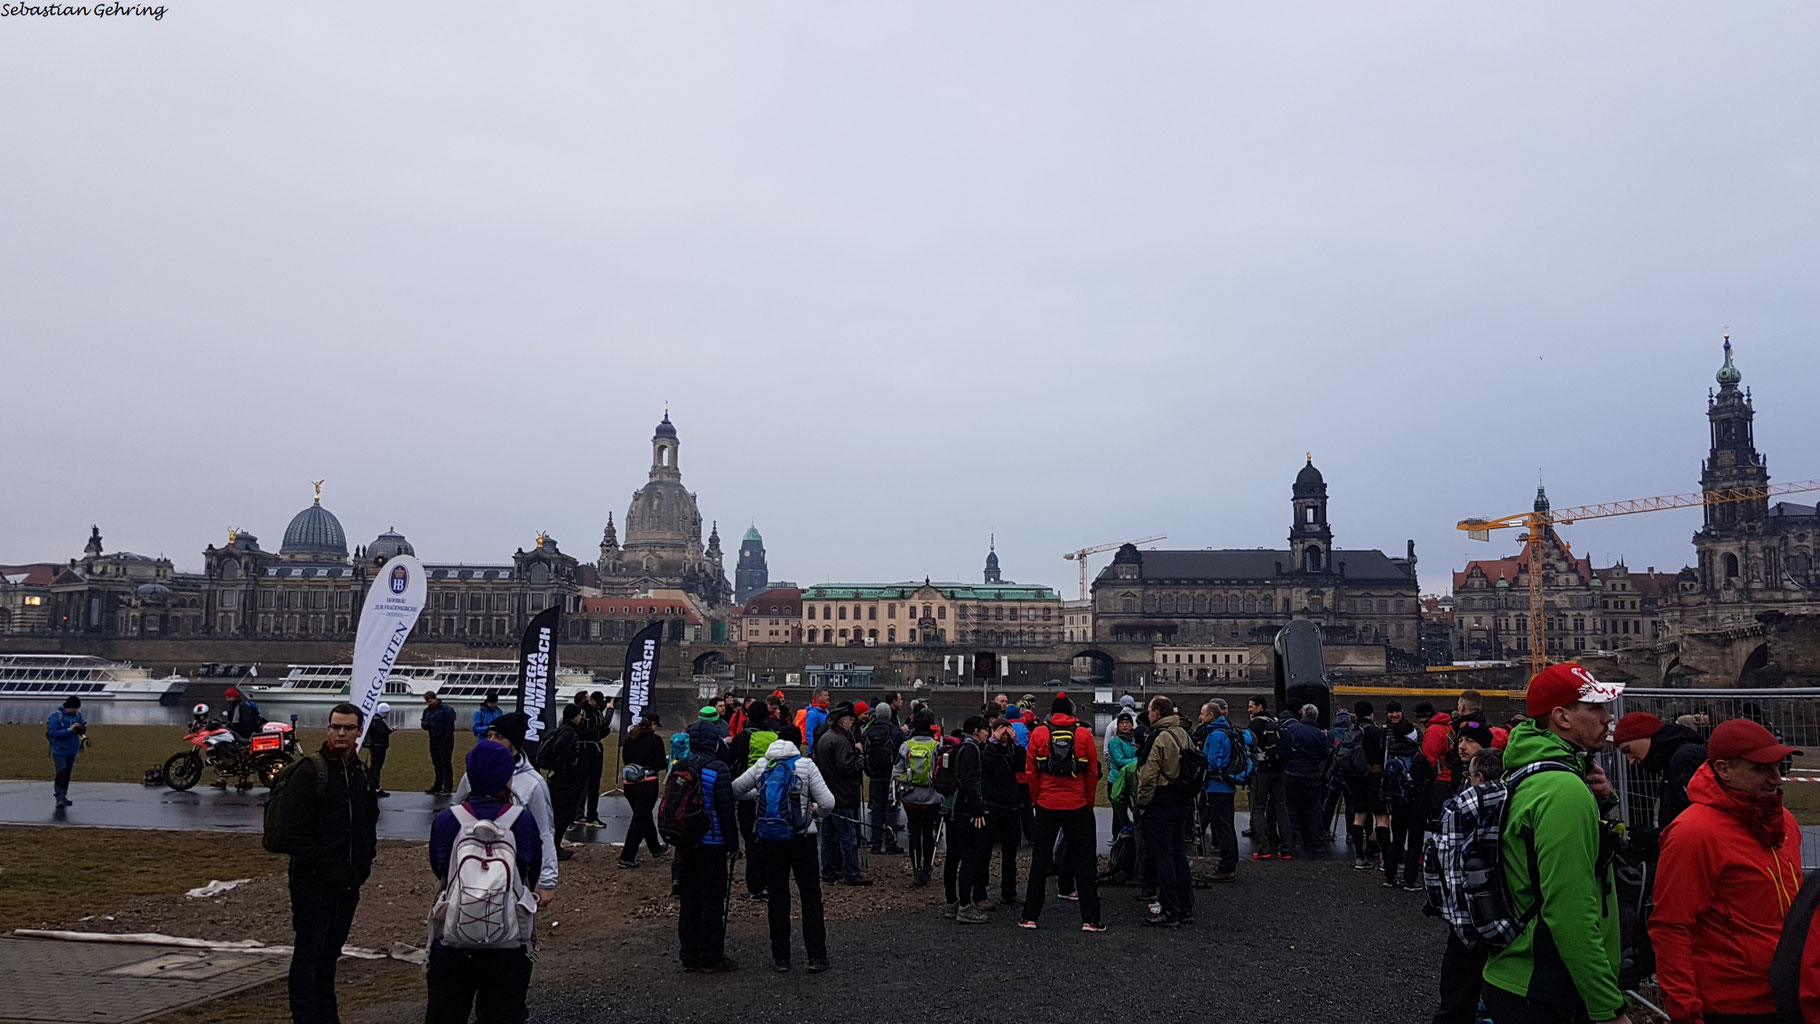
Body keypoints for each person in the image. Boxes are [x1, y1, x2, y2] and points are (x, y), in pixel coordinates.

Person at [1482, 664, 1631, 1024]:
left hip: (1517, 973)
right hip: (1549, 986)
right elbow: (1570, 913)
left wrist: (1601, 803)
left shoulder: (1530, 769)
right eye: (1595, 708)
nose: (1607, 717)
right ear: (1562, 717)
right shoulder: (1563, 790)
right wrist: (1607, 1008)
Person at [1651, 718, 1805, 1024]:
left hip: (1788, 993)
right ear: (1723, 770)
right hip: (1731, 1005)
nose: (1776, 779)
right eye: (1761, 769)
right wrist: (1685, 1011)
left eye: (1778, 767)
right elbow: (1671, 927)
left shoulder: (1784, 820)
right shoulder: (1693, 832)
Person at [424, 739, 542, 1024]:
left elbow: (440, 868)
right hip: (509, 940)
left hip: (453, 938)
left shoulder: (447, 820)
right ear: (508, 778)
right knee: (503, 1014)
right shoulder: (522, 820)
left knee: (444, 1014)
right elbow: (531, 871)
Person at [278, 703, 379, 1024]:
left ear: (359, 732)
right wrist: (320, 866)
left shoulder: (361, 773)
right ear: (328, 729)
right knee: (309, 954)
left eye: (348, 728)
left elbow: (368, 824)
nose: (341, 733)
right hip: (313, 883)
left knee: (331, 954)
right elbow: (295, 831)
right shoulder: (311, 771)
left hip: (347, 882)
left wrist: (363, 864)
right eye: (336, 727)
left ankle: (328, 1016)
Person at [732, 723, 836, 973]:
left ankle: (781, 957)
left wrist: (758, 794)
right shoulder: (805, 765)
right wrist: (816, 813)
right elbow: (828, 802)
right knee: (810, 896)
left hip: (770, 838)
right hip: (802, 837)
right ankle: (816, 956)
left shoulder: (763, 765)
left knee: (778, 896)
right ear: (798, 743)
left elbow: (735, 789)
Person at [1432, 747, 1506, 1024]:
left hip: (1468, 916)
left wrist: (1446, 908)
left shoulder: (1462, 804)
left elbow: (1445, 861)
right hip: (1509, 912)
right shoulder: (1518, 795)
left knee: (1457, 992)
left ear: (1478, 777)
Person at [1020, 694, 1105, 932]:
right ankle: (1091, 919)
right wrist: (1088, 802)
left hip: (1047, 804)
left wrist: (1036, 799)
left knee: (1040, 860)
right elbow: (1091, 773)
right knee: (1084, 861)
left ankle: (1030, 916)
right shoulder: (1084, 734)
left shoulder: (1039, 733)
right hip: (1077, 804)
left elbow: (1031, 772)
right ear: (1071, 712)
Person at [454, 712, 560, 903]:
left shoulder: (533, 783)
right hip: (469, 868)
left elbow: (544, 833)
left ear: (514, 743)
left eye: (499, 737)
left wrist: (547, 881)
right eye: (489, 736)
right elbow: (456, 813)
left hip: (513, 873)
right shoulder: (473, 774)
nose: (492, 741)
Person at [673, 720, 741, 973]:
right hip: (712, 842)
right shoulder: (719, 769)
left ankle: (689, 954)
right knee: (712, 900)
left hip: (685, 841)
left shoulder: (681, 766)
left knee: (689, 898)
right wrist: (733, 844)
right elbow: (726, 811)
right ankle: (711, 956)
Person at [1135, 696, 1194, 927]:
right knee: (1179, 854)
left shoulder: (1157, 737)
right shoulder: (1183, 733)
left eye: (1150, 710)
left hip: (1160, 803)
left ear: (1157, 713)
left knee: (1163, 857)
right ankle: (1185, 906)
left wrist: (1142, 803)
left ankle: (1170, 909)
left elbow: (1147, 776)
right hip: (1182, 801)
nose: (1148, 714)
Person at [1613, 711, 1708, 842]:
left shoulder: (1684, 760)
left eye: (1628, 750)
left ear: (1645, 736)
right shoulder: (1672, 760)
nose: (1631, 761)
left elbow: (1699, 821)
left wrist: (1656, 839)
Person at [811, 702, 870, 885]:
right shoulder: (841, 740)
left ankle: (829, 870)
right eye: (850, 720)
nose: (852, 723)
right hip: (842, 792)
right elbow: (846, 766)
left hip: (827, 792)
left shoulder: (825, 737)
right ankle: (851, 872)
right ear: (843, 721)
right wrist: (860, 759)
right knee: (847, 836)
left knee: (828, 835)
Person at [729, 701, 780, 900]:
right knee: (770, 837)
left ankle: (755, 886)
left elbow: (733, 762)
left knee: (751, 839)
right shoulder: (774, 737)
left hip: (748, 792)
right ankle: (771, 882)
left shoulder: (742, 738)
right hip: (772, 793)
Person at [944, 715, 992, 924]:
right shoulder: (972, 750)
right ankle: (965, 906)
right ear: (976, 731)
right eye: (985, 729)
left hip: (952, 808)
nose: (988, 733)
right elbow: (969, 781)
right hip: (966, 810)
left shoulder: (959, 747)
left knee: (953, 856)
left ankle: (951, 902)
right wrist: (977, 810)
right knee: (970, 856)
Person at [896, 709, 945, 888]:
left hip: (911, 797)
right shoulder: (937, 746)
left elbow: (897, 771)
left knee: (914, 832)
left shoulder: (906, 746)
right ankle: (927, 868)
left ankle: (916, 869)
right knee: (929, 832)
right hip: (932, 798)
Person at [1199, 699, 1247, 882]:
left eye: (1203, 713)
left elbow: (1213, 762)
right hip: (1224, 786)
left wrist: (1200, 768)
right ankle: (1229, 862)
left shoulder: (1216, 735)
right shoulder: (1225, 731)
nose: (1200, 717)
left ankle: (1227, 867)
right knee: (1226, 825)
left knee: (1222, 828)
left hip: (1217, 786)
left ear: (1211, 715)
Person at [981, 716, 1025, 907]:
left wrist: (1016, 742)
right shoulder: (987, 751)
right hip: (992, 806)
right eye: (1001, 731)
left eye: (1007, 731)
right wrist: (993, 742)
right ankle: (980, 893)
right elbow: (985, 763)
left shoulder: (1014, 751)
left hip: (1011, 806)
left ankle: (1009, 892)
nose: (1004, 735)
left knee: (1010, 854)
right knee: (984, 852)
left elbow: (1023, 764)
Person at [1381, 700, 1425, 890]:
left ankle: (1389, 876)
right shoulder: (1418, 755)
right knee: (1415, 840)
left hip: (1396, 797)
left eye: (1396, 711)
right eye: (1391, 712)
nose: (1394, 715)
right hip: (1415, 799)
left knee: (1397, 837)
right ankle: (1410, 879)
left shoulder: (1391, 749)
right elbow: (1429, 774)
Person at [617, 712, 669, 869]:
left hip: (629, 784)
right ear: (652, 724)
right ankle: (627, 857)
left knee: (643, 816)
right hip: (647, 784)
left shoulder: (630, 738)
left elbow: (626, 759)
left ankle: (655, 848)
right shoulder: (655, 740)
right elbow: (660, 764)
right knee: (639, 821)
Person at [1281, 704, 1330, 858]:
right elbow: (1324, 755)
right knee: (1314, 808)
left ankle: (1290, 841)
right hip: (1311, 774)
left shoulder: (1292, 729)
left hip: (1291, 772)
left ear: (1302, 714)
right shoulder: (1320, 734)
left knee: (1291, 809)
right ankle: (1317, 842)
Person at [1342, 700, 1386, 869]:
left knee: (1359, 816)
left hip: (1355, 778)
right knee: (1381, 817)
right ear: (1371, 714)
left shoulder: (1351, 730)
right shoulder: (1376, 732)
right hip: (1374, 777)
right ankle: (1384, 859)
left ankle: (1360, 858)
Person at [542, 703, 588, 860]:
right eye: (579, 715)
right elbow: (560, 745)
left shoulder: (562, 729)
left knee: (560, 814)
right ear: (574, 717)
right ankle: (554, 847)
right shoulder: (568, 732)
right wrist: (572, 758)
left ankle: (554, 845)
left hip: (558, 777)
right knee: (563, 814)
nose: (581, 718)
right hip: (563, 779)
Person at [862, 696, 906, 855]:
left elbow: (864, 752)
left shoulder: (868, 732)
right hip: (891, 775)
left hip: (874, 775)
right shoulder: (895, 731)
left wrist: (868, 770)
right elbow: (902, 751)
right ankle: (890, 842)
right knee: (890, 808)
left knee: (877, 809)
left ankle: (875, 843)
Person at [1248, 698, 1290, 860]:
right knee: (1281, 807)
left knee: (1258, 807)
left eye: (1251, 707)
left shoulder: (1255, 725)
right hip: (1279, 770)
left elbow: (1249, 746)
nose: (1249, 710)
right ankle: (1286, 848)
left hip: (1263, 770)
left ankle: (1264, 847)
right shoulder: (1275, 721)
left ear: (1260, 707)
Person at [576, 691, 610, 828]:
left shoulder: (597, 711)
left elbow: (601, 725)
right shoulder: (582, 712)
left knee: (594, 786)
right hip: (585, 752)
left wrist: (601, 732)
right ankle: (577, 814)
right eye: (597, 702)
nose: (598, 705)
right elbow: (580, 731)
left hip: (596, 751)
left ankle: (592, 816)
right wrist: (596, 732)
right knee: (581, 784)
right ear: (591, 700)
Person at [46, 695, 86, 808]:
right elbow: (52, 733)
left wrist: (82, 729)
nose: (75, 711)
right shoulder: (56, 716)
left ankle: (63, 796)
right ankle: (59, 797)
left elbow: (81, 730)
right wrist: (69, 730)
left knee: (67, 774)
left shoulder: (78, 716)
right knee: (61, 773)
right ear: (68, 707)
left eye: (77, 709)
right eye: (74, 708)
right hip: (59, 750)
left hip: (72, 749)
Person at [1106, 713, 1140, 838]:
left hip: (1130, 781)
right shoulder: (1114, 741)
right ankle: (1116, 837)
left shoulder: (1134, 741)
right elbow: (1120, 761)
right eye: (1121, 723)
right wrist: (1139, 760)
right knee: (1118, 813)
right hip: (1116, 781)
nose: (1124, 725)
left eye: (1127, 723)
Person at [421, 691, 457, 795]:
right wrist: (424, 725)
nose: (429, 703)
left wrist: (445, 738)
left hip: (445, 740)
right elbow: (425, 726)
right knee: (436, 763)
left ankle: (448, 786)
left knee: (445, 763)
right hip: (433, 740)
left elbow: (450, 725)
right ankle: (438, 785)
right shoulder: (427, 711)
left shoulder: (446, 709)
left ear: (435, 698)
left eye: (430, 701)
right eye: (427, 701)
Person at [363, 702, 393, 797]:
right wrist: (391, 729)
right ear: (384, 712)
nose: (388, 715)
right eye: (387, 713)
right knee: (376, 768)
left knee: (374, 767)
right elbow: (383, 732)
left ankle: (373, 787)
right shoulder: (378, 721)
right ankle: (375, 788)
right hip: (378, 747)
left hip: (375, 746)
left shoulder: (374, 719)